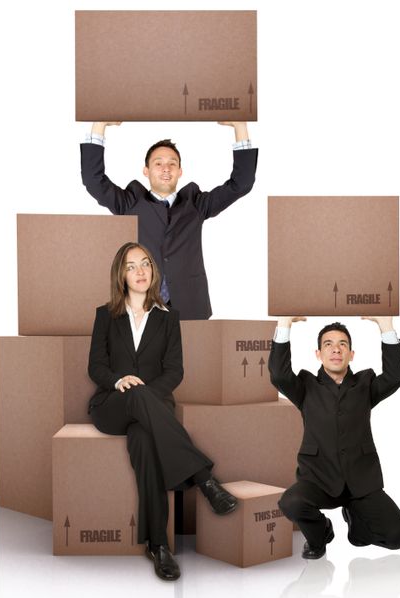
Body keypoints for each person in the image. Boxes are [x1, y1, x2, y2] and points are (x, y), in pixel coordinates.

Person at [88, 241, 238, 581]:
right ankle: (204, 479)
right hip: (111, 405)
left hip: (150, 408)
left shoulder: (169, 318)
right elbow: (96, 366)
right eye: (131, 266)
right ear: (121, 275)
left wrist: (145, 394)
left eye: (145, 264)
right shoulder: (105, 315)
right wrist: (119, 381)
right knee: (136, 398)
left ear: (153, 271)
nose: (140, 271)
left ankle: (158, 546)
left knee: (144, 443)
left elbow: (174, 371)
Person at [81, 122, 258, 320]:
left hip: (190, 307)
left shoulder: (196, 204)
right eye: (158, 163)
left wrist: (240, 127)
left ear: (180, 171)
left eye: (172, 163)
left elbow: (241, 183)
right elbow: (93, 180)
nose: (166, 168)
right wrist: (100, 124)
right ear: (146, 171)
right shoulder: (129, 203)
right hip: (141, 308)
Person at [268, 316, 400, 559]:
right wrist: (284, 323)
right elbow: (279, 376)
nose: (336, 349)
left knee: (397, 537)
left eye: (343, 344)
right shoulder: (306, 387)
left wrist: (385, 325)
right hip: (319, 479)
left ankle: (357, 526)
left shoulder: (365, 384)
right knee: (290, 502)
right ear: (318, 354)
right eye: (329, 344)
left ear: (351, 354)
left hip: (362, 483)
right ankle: (320, 535)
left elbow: (396, 376)